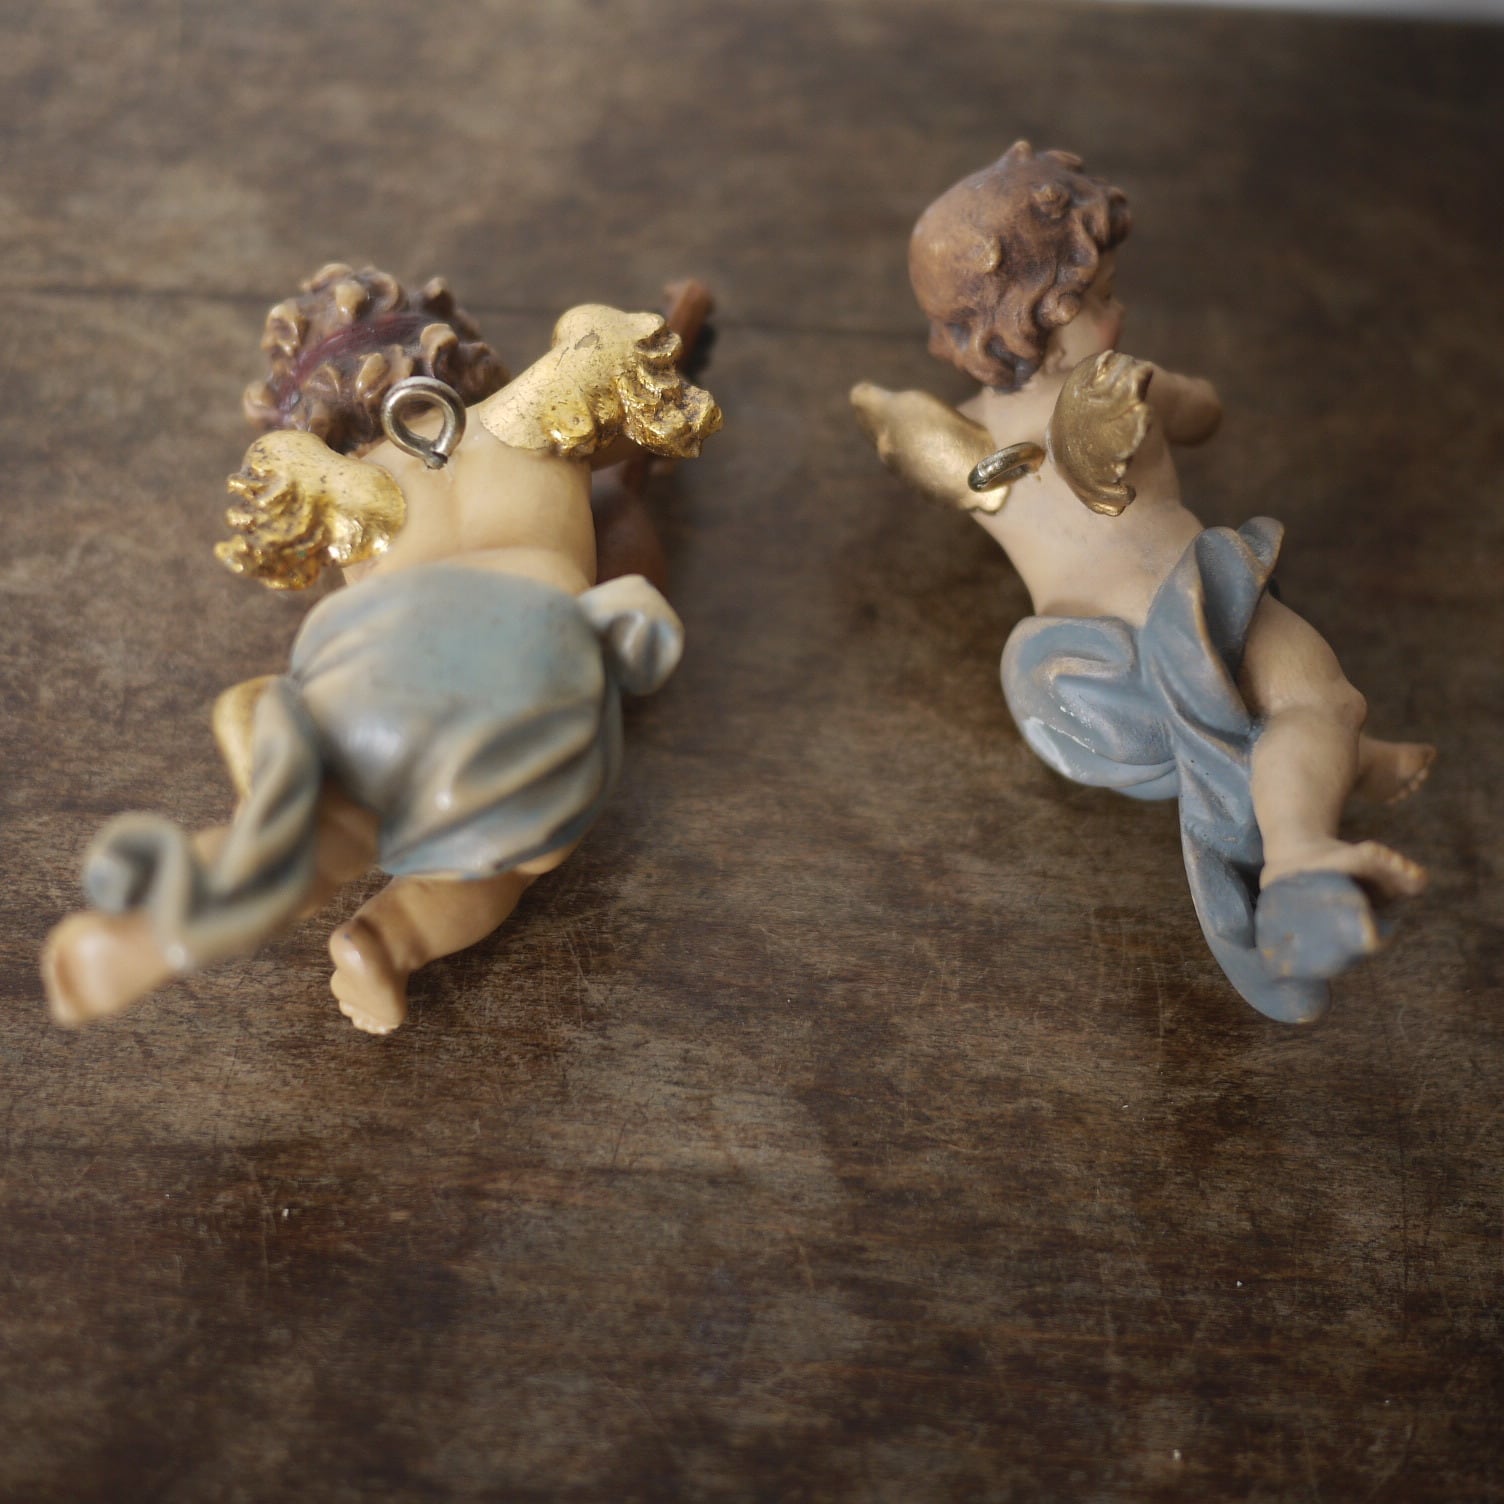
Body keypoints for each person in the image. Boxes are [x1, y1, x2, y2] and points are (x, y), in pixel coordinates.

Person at [852, 143, 1431, 1022]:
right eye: (1100, 298)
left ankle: (1346, 769)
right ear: (1046, 316)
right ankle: (1300, 853)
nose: (1116, 313)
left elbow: (910, 443)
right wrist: (1167, 388)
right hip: (1189, 610)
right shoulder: (1125, 389)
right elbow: (1208, 413)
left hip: (1082, 678)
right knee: (1318, 699)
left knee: (1271, 723)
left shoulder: (966, 447)